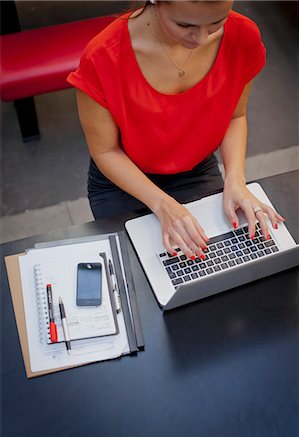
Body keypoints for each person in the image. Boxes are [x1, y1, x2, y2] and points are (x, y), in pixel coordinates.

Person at [67, 0, 284, 260]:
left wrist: (235, 179)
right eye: (185, 25)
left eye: (217, 22)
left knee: (222, 261)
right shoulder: (102, 56)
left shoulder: (242, 35)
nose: (202, 38)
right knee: (141, 278)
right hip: (124, 181)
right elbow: (106, 150)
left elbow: (236, 116)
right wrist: (163, 205)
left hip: (196, 169)